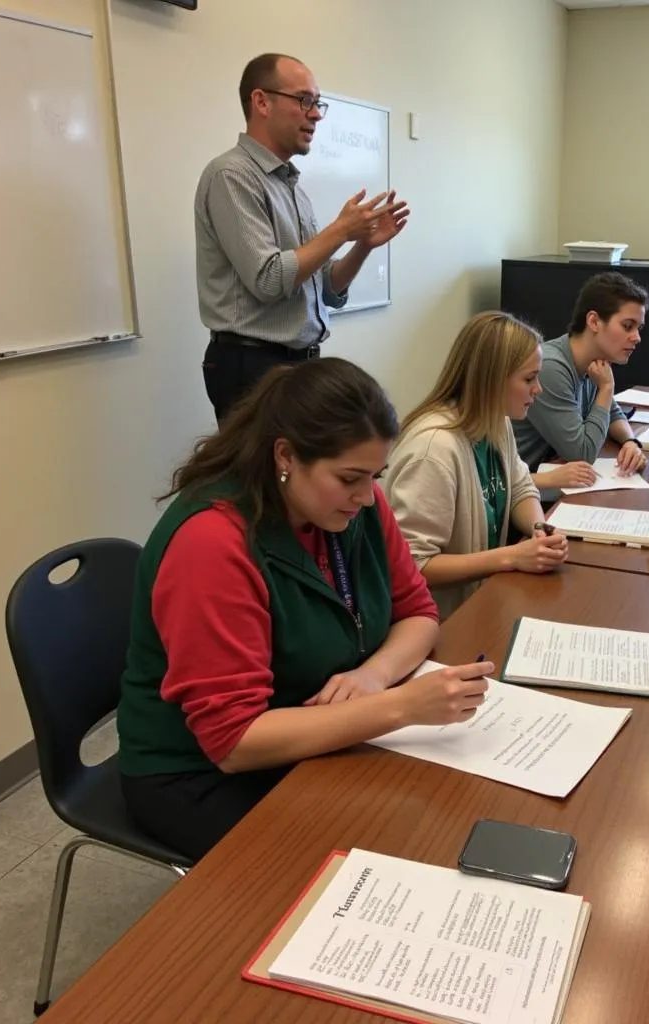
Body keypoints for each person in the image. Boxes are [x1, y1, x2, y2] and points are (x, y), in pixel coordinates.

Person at [117, 359, 492, 861]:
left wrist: (375, 676)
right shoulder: (213, 543)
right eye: (350, 478)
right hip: (197, 772)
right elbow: (234, 741)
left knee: (434, 815)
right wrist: (400, 707)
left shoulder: (351, 507)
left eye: (374, 475)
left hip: (310, 727)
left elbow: (419, 612)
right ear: (286, 456)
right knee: (377, 860)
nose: (367, 496)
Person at [196, 53, 409, 423]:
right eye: (304, 100)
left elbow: (326, 289)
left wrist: (361, 245)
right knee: (266, 479)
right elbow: (268, 280)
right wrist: (340, 230)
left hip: (299, 363)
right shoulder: (230, 176)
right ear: (261, 101)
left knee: (301, 478)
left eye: (318, 103)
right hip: (253, 365)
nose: (315, 114)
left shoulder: (290, 186)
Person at [383, 312, 568, 619]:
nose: (538, 389)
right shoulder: (433, 451)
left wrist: (540, 531)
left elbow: (521, 487)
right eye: (529, 378)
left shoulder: (496, 421)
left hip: (481, 604)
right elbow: (413, 564)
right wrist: (512, 557)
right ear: (492, 379)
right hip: (440, 622)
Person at [513, 272, 649, 482]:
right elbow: (582, 454)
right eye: (627, 326)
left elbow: (612, 414)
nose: (637, 337)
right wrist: (606, 388)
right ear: (594, 321)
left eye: (638, 328)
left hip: (551, 479)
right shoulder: (550, 368)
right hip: (522, 491)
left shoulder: (594, 363)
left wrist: (631, 443)